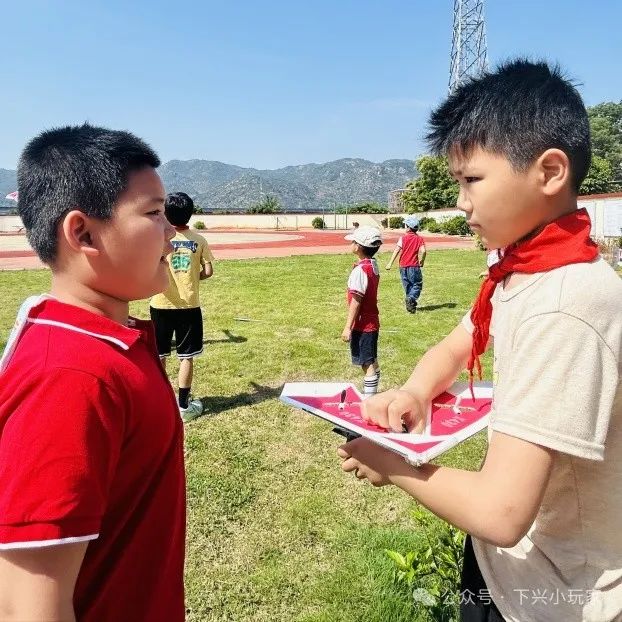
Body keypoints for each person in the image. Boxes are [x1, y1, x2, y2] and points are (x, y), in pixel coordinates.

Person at [336, 60, 622, 622]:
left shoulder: (565, 305)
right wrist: (418, 389)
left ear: (549, 172)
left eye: (472, 181)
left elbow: (501, 510)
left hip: (555, 594)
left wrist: (391, 464)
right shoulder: (523, 270)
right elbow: (460, 342)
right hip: (509, 565)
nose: (462, 204)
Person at [0, 124, 186, 622]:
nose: (170, 232)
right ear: (82, 233)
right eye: (152, 213)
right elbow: (28, 605)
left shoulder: (107, 346)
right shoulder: (69, 376)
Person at [150, 192, 214, 422]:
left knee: (160, 355)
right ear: (191, 213)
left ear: (165, 214)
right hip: (189, 306)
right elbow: (208, 271)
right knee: (186, 356)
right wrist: (193, 279)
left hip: (159, 305)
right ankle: (184, 405)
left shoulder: (158, 239)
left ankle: (158, 403)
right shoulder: (199, 240)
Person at [341, 225, 383, 397]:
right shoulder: (372, 265)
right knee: (372, 360)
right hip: (372, 322)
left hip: (363, 325)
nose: (351, 243)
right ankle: (371, 391)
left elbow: (356, 301)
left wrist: (347, 327)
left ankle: (369, 400)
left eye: (353, 241)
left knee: (367, 363)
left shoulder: (360, 270)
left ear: (358, 247)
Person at [386, 215, 427, 312]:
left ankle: (411, 304)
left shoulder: (403, 238)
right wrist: (422, 260)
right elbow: (424, 251)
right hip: (414, 266)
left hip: (403, 266)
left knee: (407, 285)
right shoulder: (419, 239)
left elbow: (396, 250)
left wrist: (390, 263)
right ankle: (411, 299)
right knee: (417, 284)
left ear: (408, 227)